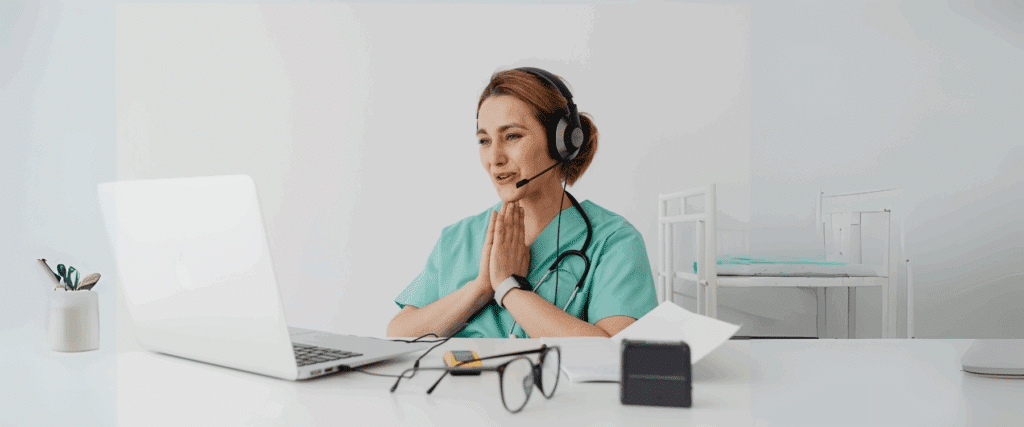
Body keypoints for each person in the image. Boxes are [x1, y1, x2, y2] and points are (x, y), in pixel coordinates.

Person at [387, 67, 657, 338]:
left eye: (512, 136)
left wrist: (508, 288)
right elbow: (398, 332)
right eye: (484, 140)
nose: (494, 157)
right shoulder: (457, 238)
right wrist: (480, 288)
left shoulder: (614, 241)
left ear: (561, 142)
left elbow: (616, 356)